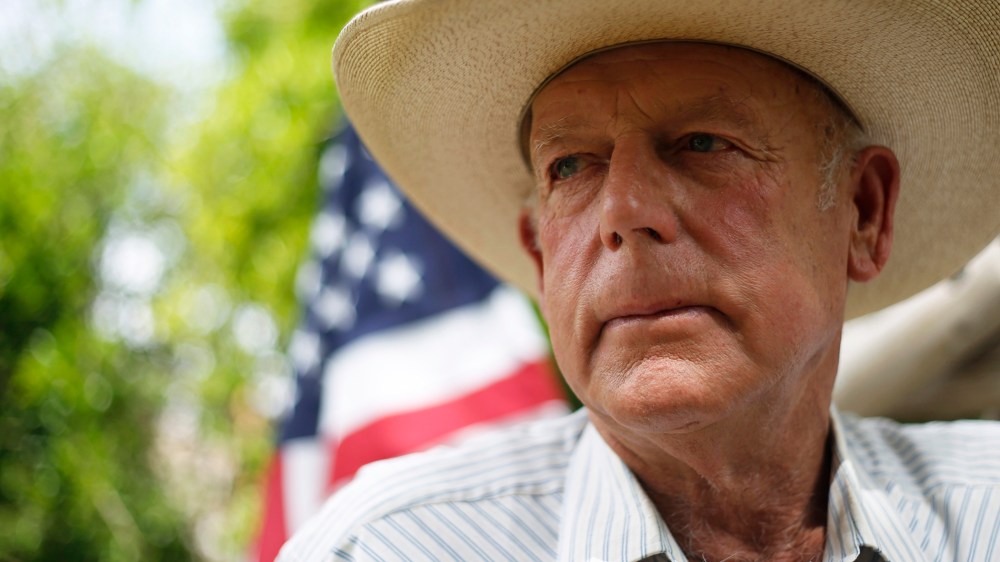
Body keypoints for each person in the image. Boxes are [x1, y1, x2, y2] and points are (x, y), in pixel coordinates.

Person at [279, 1, 1000, 561]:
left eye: (704, 143)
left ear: (864, 213)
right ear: (538, 254)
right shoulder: (381, 548)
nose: (622, 214)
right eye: (570, 166)